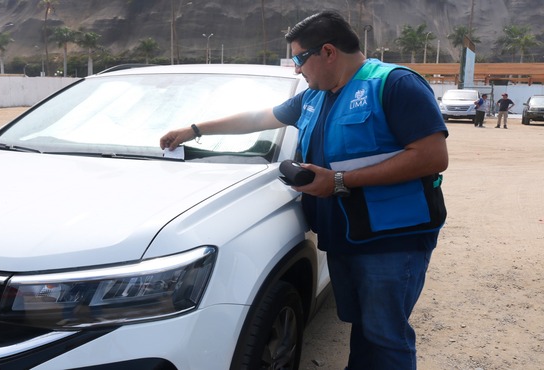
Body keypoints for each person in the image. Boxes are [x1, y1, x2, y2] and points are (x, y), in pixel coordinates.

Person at [160, 10, 448, 370]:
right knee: (364, 327)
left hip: (391, 240)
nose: (297, 70)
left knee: (386, 335)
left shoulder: (394, 84)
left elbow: (432, 156)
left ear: (327, 51)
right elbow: (259, 118)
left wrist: (340, 181)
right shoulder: (315, 96)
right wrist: (195, 129)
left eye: (299, 58)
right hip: (345, 236)